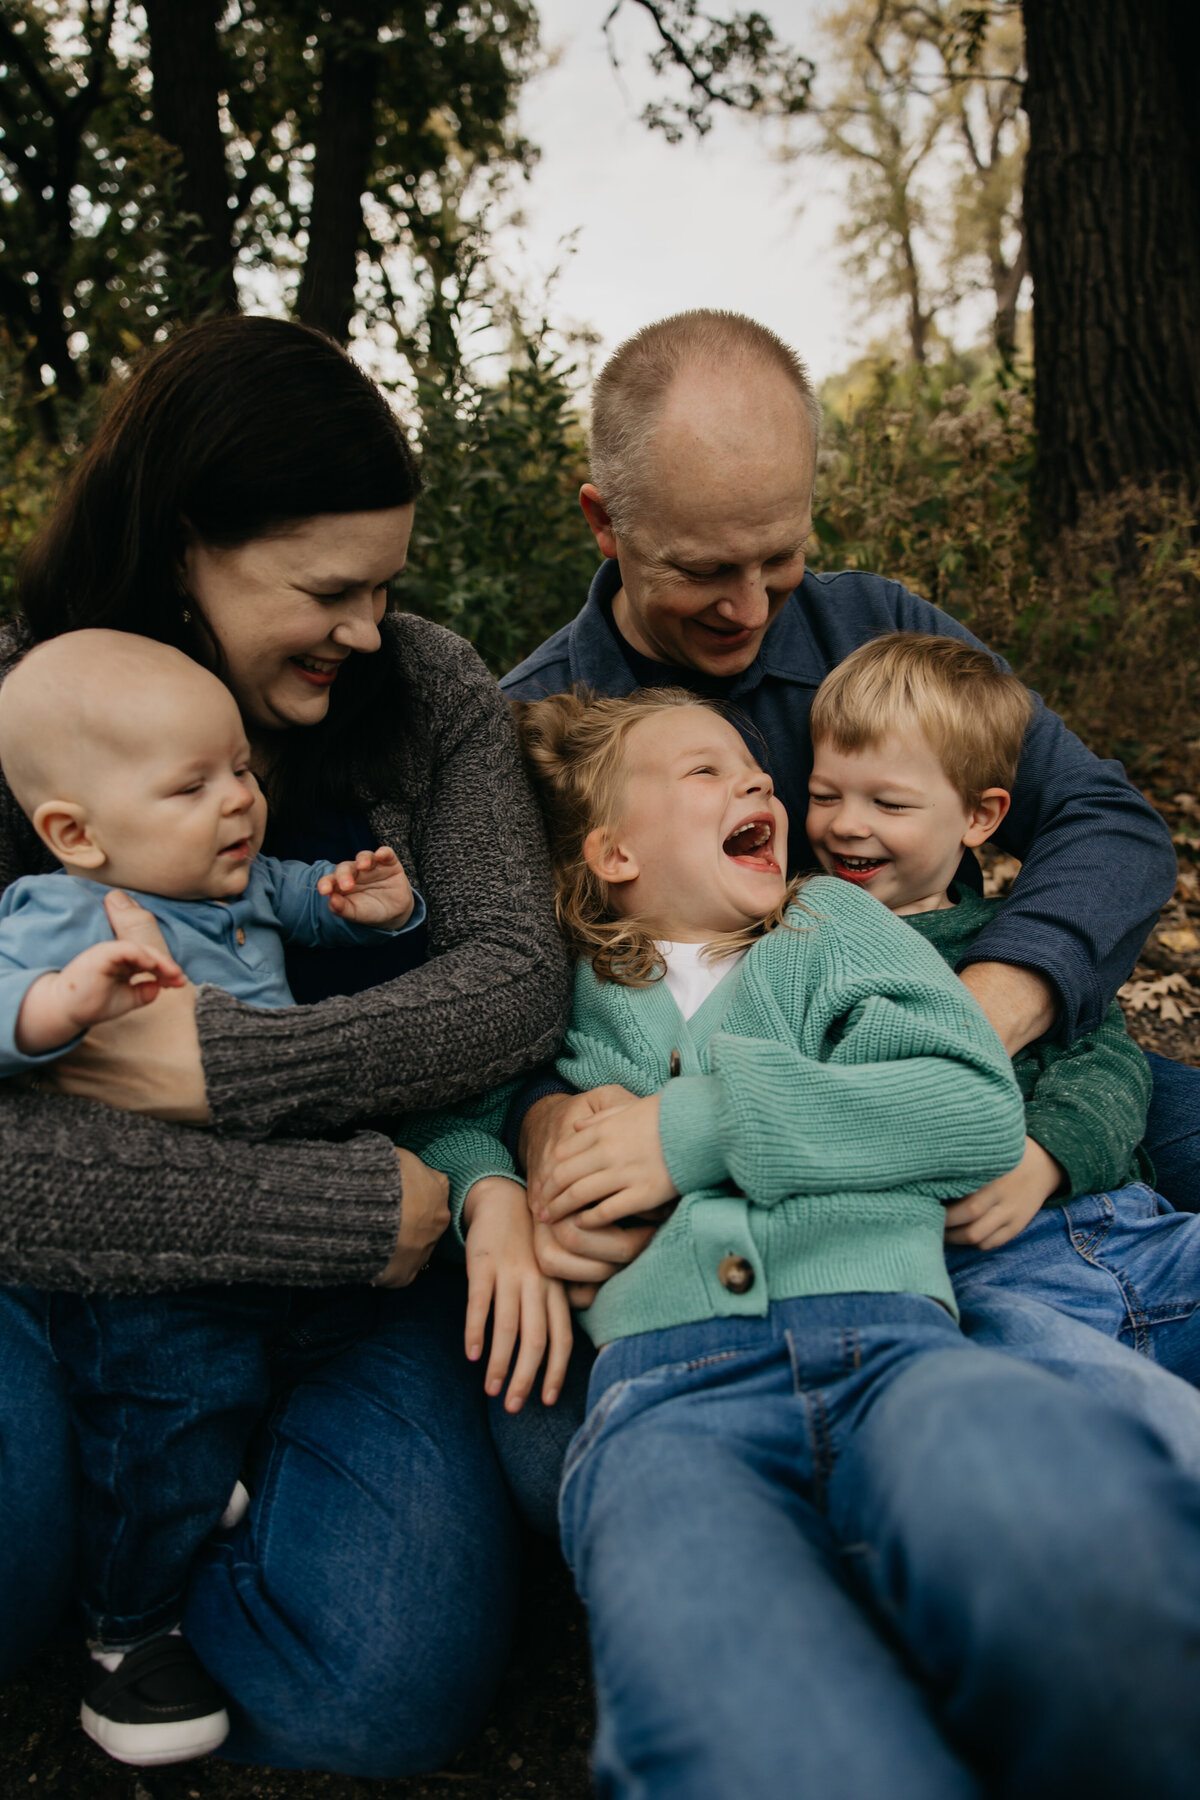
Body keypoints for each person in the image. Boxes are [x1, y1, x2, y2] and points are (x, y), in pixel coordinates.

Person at [413, 685, 1200, 1800]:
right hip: (665, 1403)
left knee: (1063, 1539)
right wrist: (490, 1192)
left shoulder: (831, 927)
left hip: (897, 1351)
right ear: (613, 853)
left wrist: (701, 1126)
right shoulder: (561, 986)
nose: (757, 780)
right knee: (734, 1701)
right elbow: (447, 1110)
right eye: (706, 770)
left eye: (754, 768)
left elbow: (972, 1106)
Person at [0, 315, 572, 1779]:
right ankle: (135, 1536)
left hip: (348, 1313)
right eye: (328, 591)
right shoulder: (31, 714)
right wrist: (338, 1204)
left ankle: (175, 1511)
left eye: (386, 586)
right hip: (85, 1277)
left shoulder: (424, 691)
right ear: (186, 542)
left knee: (367, 1698)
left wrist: (228, 1068)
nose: (368, 629)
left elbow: (514, 980)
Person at [502, 310, 1199, 1316]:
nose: (750, 607)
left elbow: (1107, 822)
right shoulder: (536, 732)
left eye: (779, 557)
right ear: (605, 523)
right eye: (704, 570)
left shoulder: (873, 628)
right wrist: (543, 1126)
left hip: (975, 1078)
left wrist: (985, 1012)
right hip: (707, 1137)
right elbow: (499, 995)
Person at [805, 632, 1200, 1400]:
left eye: (889, 803)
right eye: (825, 795)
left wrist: (1048, 1155)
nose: (847, 823)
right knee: (1093, 1406)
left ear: (980, 817)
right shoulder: (804, 951)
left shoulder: (1014, 941)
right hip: (999, 1276)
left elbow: (1108, 1064)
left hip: (1132, 1230)